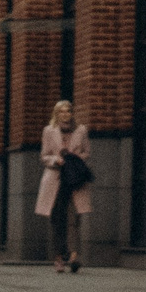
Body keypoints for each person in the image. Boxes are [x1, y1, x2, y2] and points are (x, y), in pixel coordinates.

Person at [36, 98, 91, 273]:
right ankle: (59, 257)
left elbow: (86, 152)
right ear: (56, 114)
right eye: (62, 111)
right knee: (58, 219)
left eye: (68, 111)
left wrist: (75, 159)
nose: (65, 114)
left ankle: (74, 255)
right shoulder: (48, 131)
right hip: (56, 178)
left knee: (74, 218)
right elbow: (44, 156)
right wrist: (56, 160)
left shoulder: (81, 130)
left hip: (74, 178)